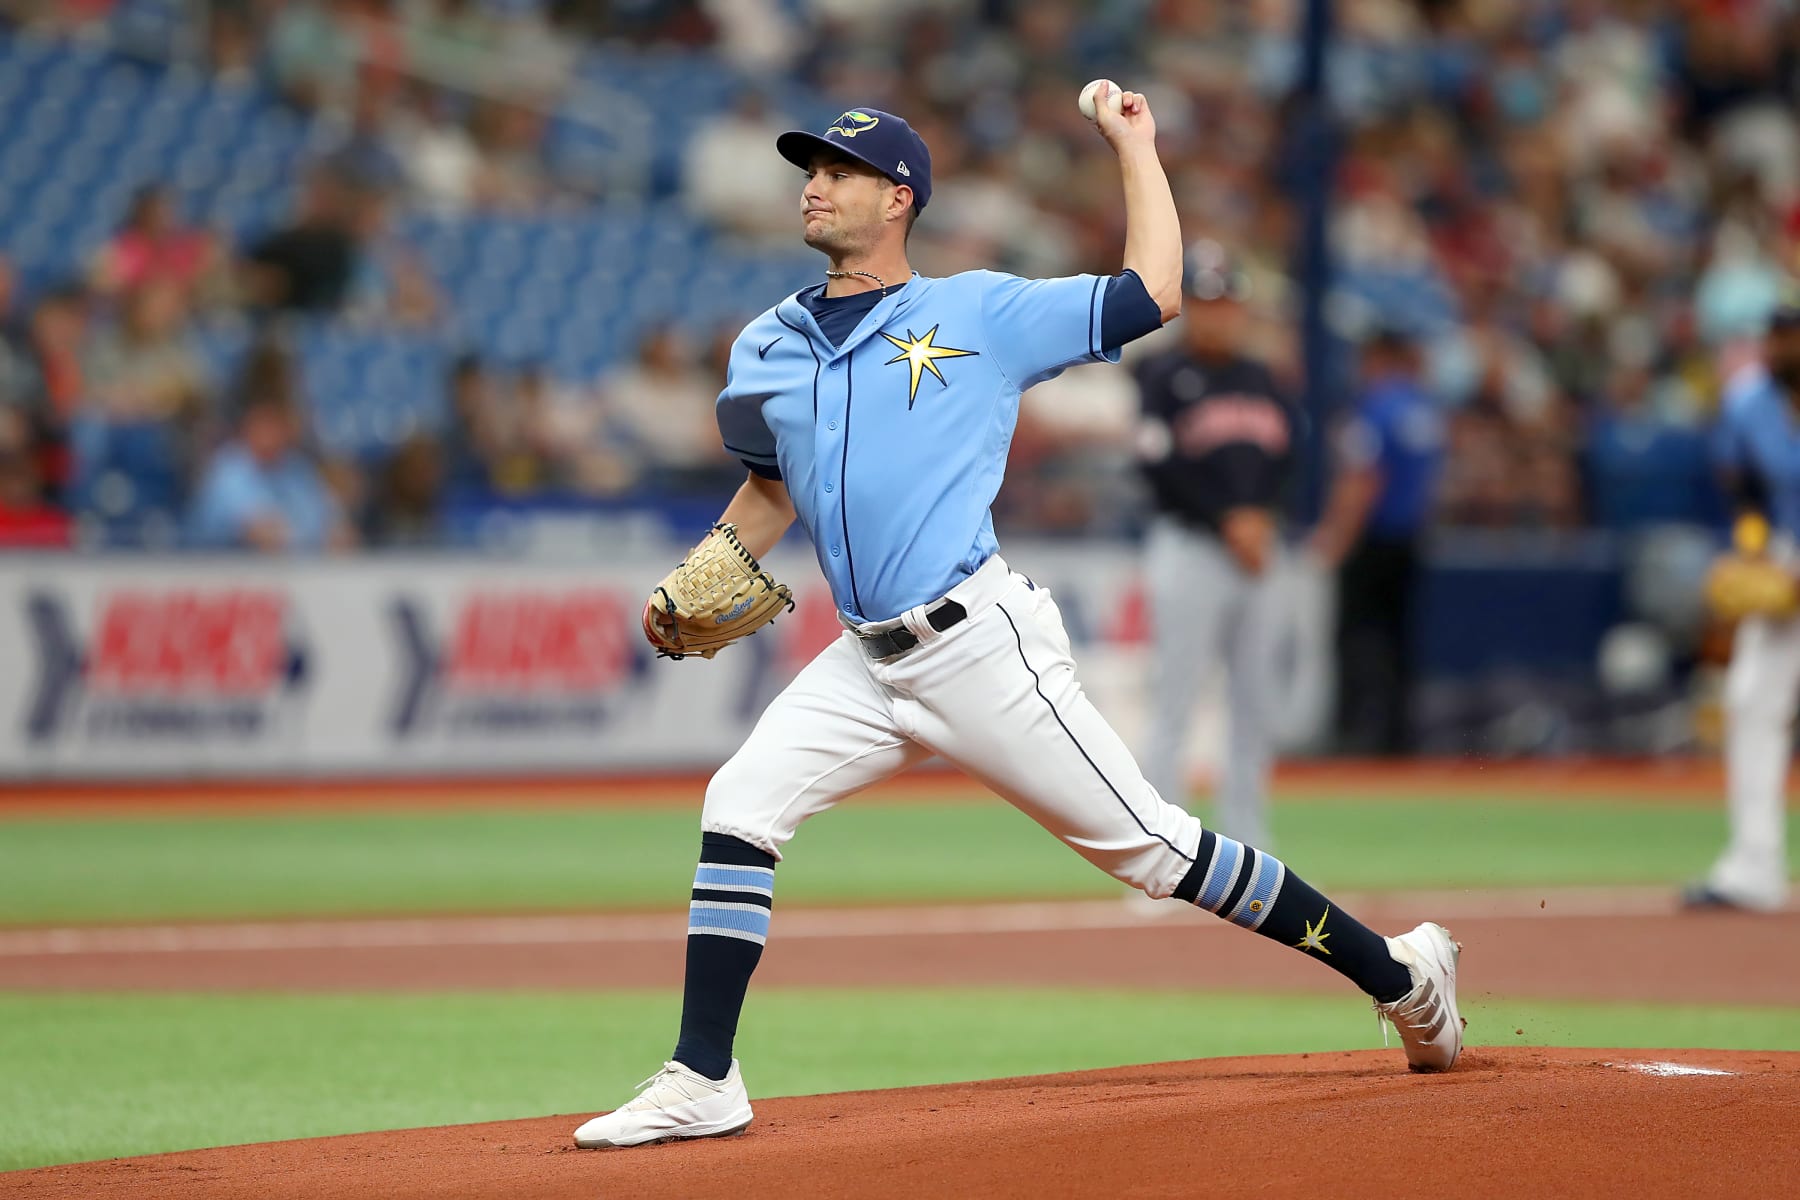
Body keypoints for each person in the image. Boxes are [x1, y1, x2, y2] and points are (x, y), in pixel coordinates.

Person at [572, 94, 1464, 1152]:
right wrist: (701, 572)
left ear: (898, 198)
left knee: (1159, 853)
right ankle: (703, 1075)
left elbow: (1155, 291)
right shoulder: (768, 342)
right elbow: (770, 490)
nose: (813, 183)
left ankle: (1403, 974)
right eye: (809, 167)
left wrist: (1134, 143)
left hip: (978, 647)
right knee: (741, 802)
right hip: (863, 659)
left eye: (839, 171)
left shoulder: (980, 314)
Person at [1133, 240, 1295, 848]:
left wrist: (1262, 517)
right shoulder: (1162, 374)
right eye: (1206, 302)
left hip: (1259, 553)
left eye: (1227, 302)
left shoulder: (1263, 379)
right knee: (1176, 697)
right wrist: (1229, 519)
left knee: (1255, 702)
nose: (1219, 314)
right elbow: (1155, 464)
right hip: (1191, 547)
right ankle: (1159, 847)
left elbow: (1290, 460)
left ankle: (1252, 845)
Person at [1688, 302, 1800, 912]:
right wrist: (1754, 550)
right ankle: (1755, 866)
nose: (1781, 349)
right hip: (1788, 560)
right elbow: (1746, 493)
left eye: (1791, 338)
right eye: (1776, 337)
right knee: (1751, 698)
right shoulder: (1752, 404)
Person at [1309, 328, 1445, 755]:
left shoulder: (1373, 410)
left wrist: (1334, 537)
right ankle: (1399, 734)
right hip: (1410, 538)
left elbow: (1361, 480)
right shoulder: (1424, 410)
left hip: (1371, 540)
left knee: (1356, 636)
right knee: (1401, 638)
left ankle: (1356, 731)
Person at [187, 345, 351, 553]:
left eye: (280, 423)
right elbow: (259, 533)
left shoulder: (296, 469)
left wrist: (336, 530)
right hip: (228, 577)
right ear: (249, 424)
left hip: (299, 578)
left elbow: (331, 523)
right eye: (267, 422)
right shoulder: (228, 469)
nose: (276, 432)